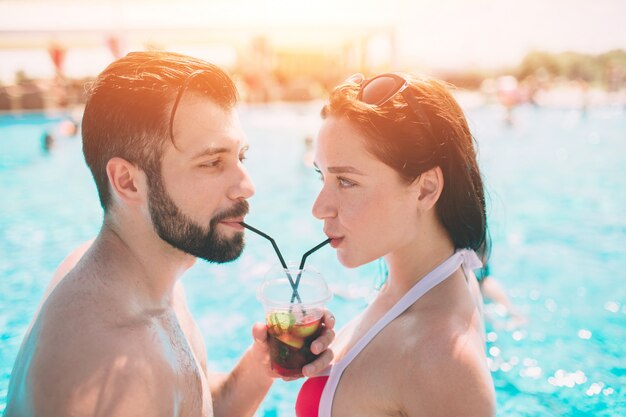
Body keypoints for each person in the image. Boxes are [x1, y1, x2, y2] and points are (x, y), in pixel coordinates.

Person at [4, 51, 335, 417]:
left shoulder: (131, 277)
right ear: (128, 182)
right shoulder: (118, 370)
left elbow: (198, 404)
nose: (246, 185)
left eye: (241, 157)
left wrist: (265, 363)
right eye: (212, 162)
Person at [296, 73, 496, 416]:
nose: (319, 208)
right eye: (322, 176)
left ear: (425, 189)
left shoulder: (441, 362)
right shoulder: (428, 282)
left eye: (346, 181)